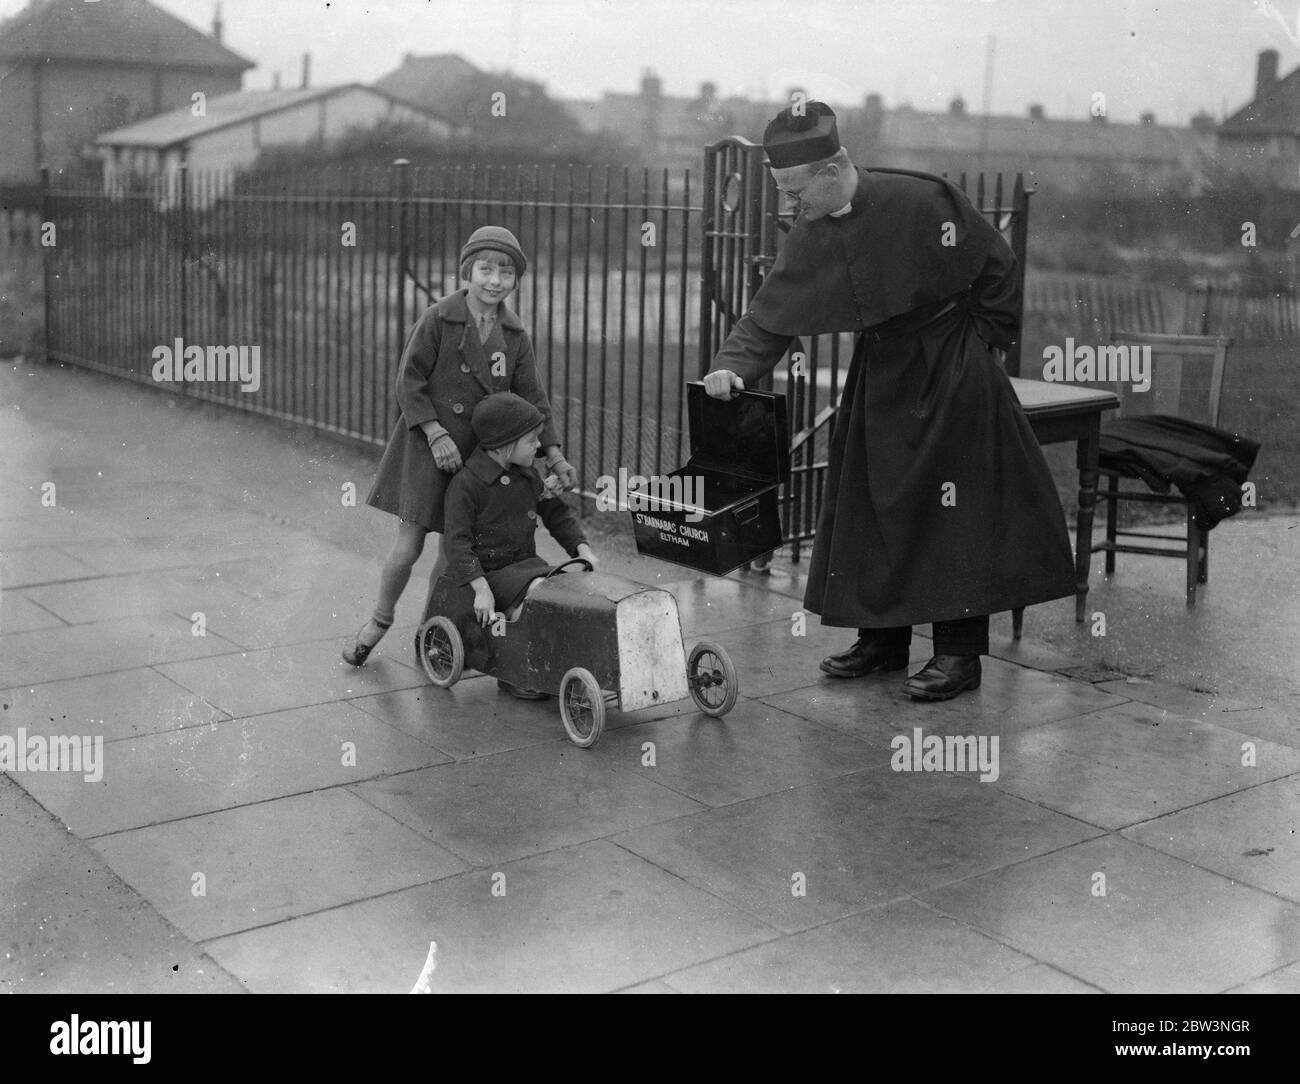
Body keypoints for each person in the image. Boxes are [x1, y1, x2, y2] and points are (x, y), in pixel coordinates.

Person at [703, 102, 1076, 701]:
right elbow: (770, 315)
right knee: (872, 502)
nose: (790, 205)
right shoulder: (814, 227)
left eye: (795, 191)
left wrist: (978, 345)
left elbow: (998, 267)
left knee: (954, 513)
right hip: (882, 373)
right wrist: (729, 367)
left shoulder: (924, 202)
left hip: (952, 370)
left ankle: (958, 656)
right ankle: (883, 639)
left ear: (833, 169)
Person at [343, 226, 577, 665]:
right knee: (409, 545)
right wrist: (435, 433)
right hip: (429, 447)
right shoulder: (439, 319)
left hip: (476, 456)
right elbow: (408, 382)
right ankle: (379, 620)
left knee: (455, 552)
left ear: (515, 280)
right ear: (467, 272)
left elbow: (533, 396)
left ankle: (434, 631)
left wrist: (554, 453)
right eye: (485, 269)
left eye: (505, 272)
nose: (494, 280)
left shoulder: (514, 334)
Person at [438, 392, 599, 698]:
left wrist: (581, 548)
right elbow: (457, 543)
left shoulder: (527, 476)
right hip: (491, 575)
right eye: (532, 440)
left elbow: (556, 514)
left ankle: (557, 660)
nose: (539, 446)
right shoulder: (467, 485)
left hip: (526, 568)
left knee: (565, 588)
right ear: (503, 444)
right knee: (540, 594)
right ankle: (514, 674)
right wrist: (481, 588)